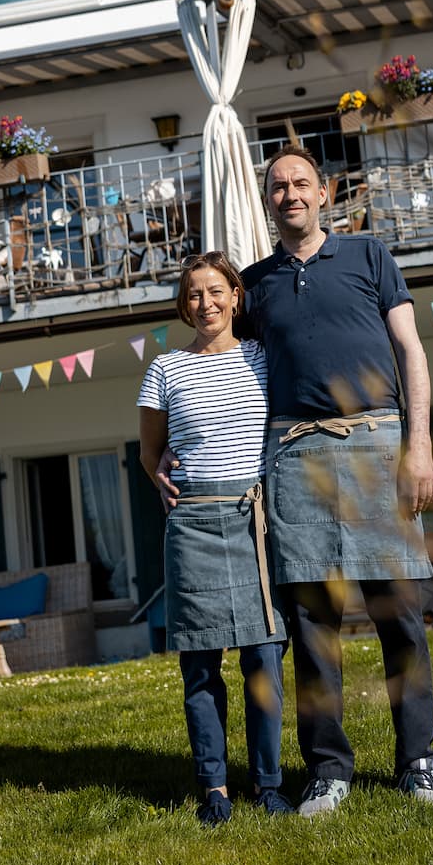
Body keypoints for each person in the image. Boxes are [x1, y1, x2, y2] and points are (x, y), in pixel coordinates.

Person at [162, 148, 433, 817]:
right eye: (277, 187)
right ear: (269, 202)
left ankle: (418, 762)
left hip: (379, 445)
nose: (289, 194)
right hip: (292, 459)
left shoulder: (370, 257)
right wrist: (178, 443)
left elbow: (411, 351)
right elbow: (223, 362)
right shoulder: (253, 286)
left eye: (300, 183)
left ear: (325, 192)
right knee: (312, 623)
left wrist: (420, 447)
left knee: (399, 617)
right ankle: (328, 770)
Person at [138, 250, 292, 826]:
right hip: (194, 525)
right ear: (185, 305)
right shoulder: (165, 369)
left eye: (216, 291)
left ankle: (270, 784)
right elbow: (149, 449)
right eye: (195, 295)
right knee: (200, 665)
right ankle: (215, 790)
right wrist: (158, 474)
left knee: (263, 658)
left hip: (255, 523)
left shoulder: (262, 358)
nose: (207, 303)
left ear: (236, 296)